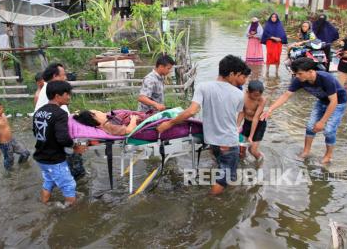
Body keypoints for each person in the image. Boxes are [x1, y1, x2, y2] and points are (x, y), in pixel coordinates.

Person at [157, 55, 250, 195]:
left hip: (212, 141)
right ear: (231, 73)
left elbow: (192, 111)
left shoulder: (203, 87)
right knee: (225, 178)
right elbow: (240, 114)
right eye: (238, 75)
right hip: (229, 142)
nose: (239, 78)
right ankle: (210, 202)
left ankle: (220, 194)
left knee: (223, 171)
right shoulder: (238, 94)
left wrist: (168, 123)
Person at [260, 58, 347, 164]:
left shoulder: (326, 79)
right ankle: (306, 151)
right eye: (295, 73)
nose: (297, 76)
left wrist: (322, 122)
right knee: (310, 126)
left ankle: (328, 156)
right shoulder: (299, 80)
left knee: (329, 131)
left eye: (299, 73)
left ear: (310, 71)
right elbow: (286, 95)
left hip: (338, 103)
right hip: (322, 101)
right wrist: (270, 110)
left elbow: (333, 101)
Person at [33, 81, 85, 207]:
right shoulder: (60, 113)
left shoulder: (39, 111)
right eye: (67, 94)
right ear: (57, 96)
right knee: (69, 185)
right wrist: (75, 145)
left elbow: (36, 132)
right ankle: (69, 213)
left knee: (49, 181)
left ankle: (44, 205)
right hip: (54, 159)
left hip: (41, 156)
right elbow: (63, 138)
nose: (69, 97)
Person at [0, 99, 30, 170]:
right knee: (9, 161)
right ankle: (9, 172)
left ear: (2, 107)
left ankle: (21, 165)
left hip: (12, 140)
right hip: (5, 145)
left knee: (25, 153)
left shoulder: (3, 115)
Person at [241, 80, 267, 161]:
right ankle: (242, 163)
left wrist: (251, 136)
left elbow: (256, 118)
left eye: (259, 95)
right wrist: (237, 126)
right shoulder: (243, 96)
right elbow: (241, 112)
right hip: (247, 123)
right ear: (248, 92)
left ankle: (261, 159)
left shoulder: (262, 100)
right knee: (241, 149)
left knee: (252, 150)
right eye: (255, 95)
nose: (257, 98)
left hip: (259, 124)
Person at [73, 110, 140, 136]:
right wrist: (133, 119)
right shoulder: (109, 126)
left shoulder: (108, 121)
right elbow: (128, 130)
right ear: (93, 116)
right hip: (141, 122)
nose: (100, 111)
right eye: (97, 111)